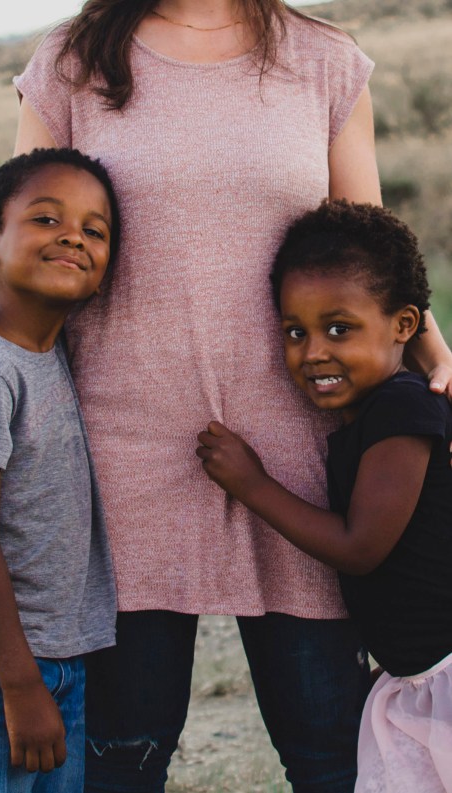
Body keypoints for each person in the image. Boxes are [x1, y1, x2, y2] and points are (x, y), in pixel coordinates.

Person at [0, 2, 452, 791]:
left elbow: (364, 238)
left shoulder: (323, 61)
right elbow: (9, 236)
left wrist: (433, 348)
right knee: (122, 760)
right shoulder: (74, 57)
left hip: (295, 454)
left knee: (331, 758)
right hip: (120, 459)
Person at [197, 199, 452, 793]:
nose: (313, 352)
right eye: (295, 331)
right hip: (413, 680)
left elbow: (361, 546)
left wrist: (252, 485)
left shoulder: (403, 408)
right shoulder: (371, 418)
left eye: (340, 328)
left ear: (404, 326)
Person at [0, 147, 120, 793]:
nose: (73, 235)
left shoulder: (48, 352)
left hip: (55, 654)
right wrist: (19, 683)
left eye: (95, 230)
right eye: (45, 219)